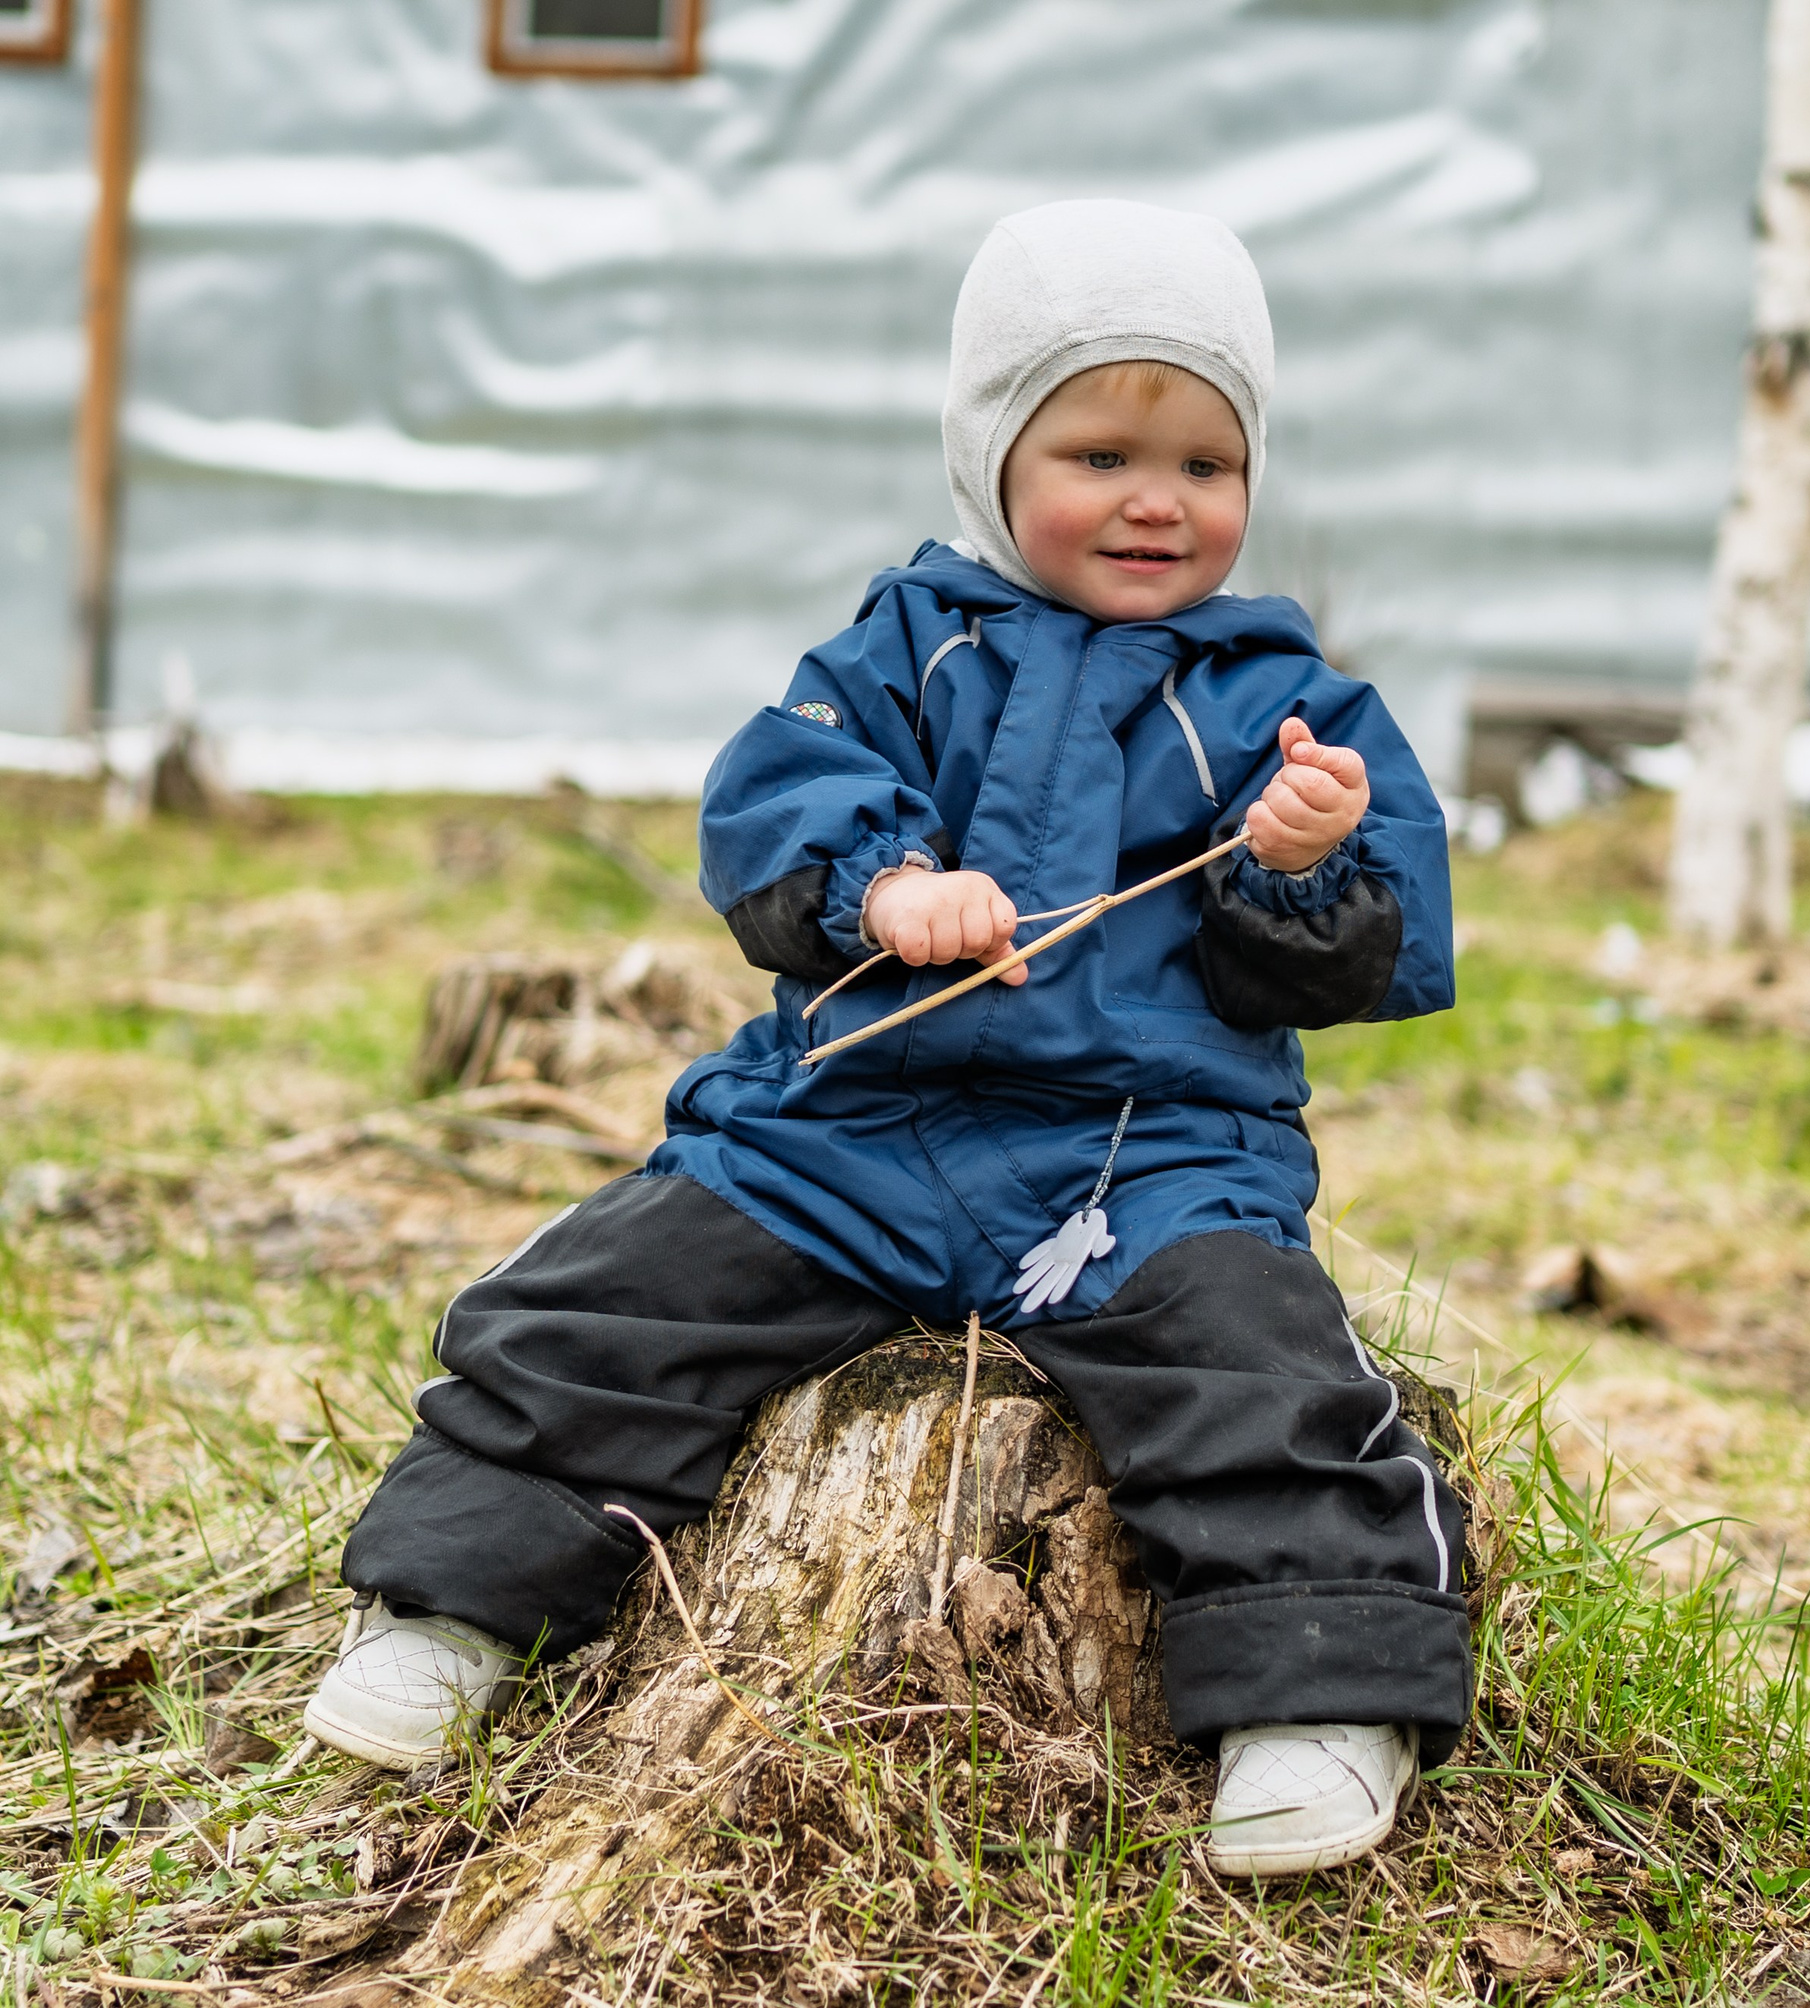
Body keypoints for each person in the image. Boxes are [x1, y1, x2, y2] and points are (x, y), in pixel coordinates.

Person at [302, 199, 1467, 1878]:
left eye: (1208, 465)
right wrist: (884, 885)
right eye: (1099, 451)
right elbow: (775, 806)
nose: (1159, 500)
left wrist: (1305, 861)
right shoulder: (902, 651)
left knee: (1259, 1368)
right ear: (991, 458)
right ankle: (453, 1604)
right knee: (602, 1306)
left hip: (1147, 1154)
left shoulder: (1282, 708)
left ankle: (1318, 1680)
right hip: (853, 1131)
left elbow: (1367, 945)